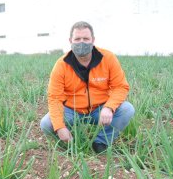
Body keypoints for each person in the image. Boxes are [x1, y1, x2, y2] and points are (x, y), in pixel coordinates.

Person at [40, 21, 135, 153]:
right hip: (72, 110)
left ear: (93, 40)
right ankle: (69, 141)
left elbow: (120, 87)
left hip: (100, 109)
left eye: (86, 39)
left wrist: (109, 107)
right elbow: (54, 97)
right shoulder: (61, 65)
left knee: (127, 109)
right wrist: (59, 127)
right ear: (70, 41)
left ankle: (101, 142)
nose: (82, 42)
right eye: (77, 39)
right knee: (46, 124)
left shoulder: (108, 58)